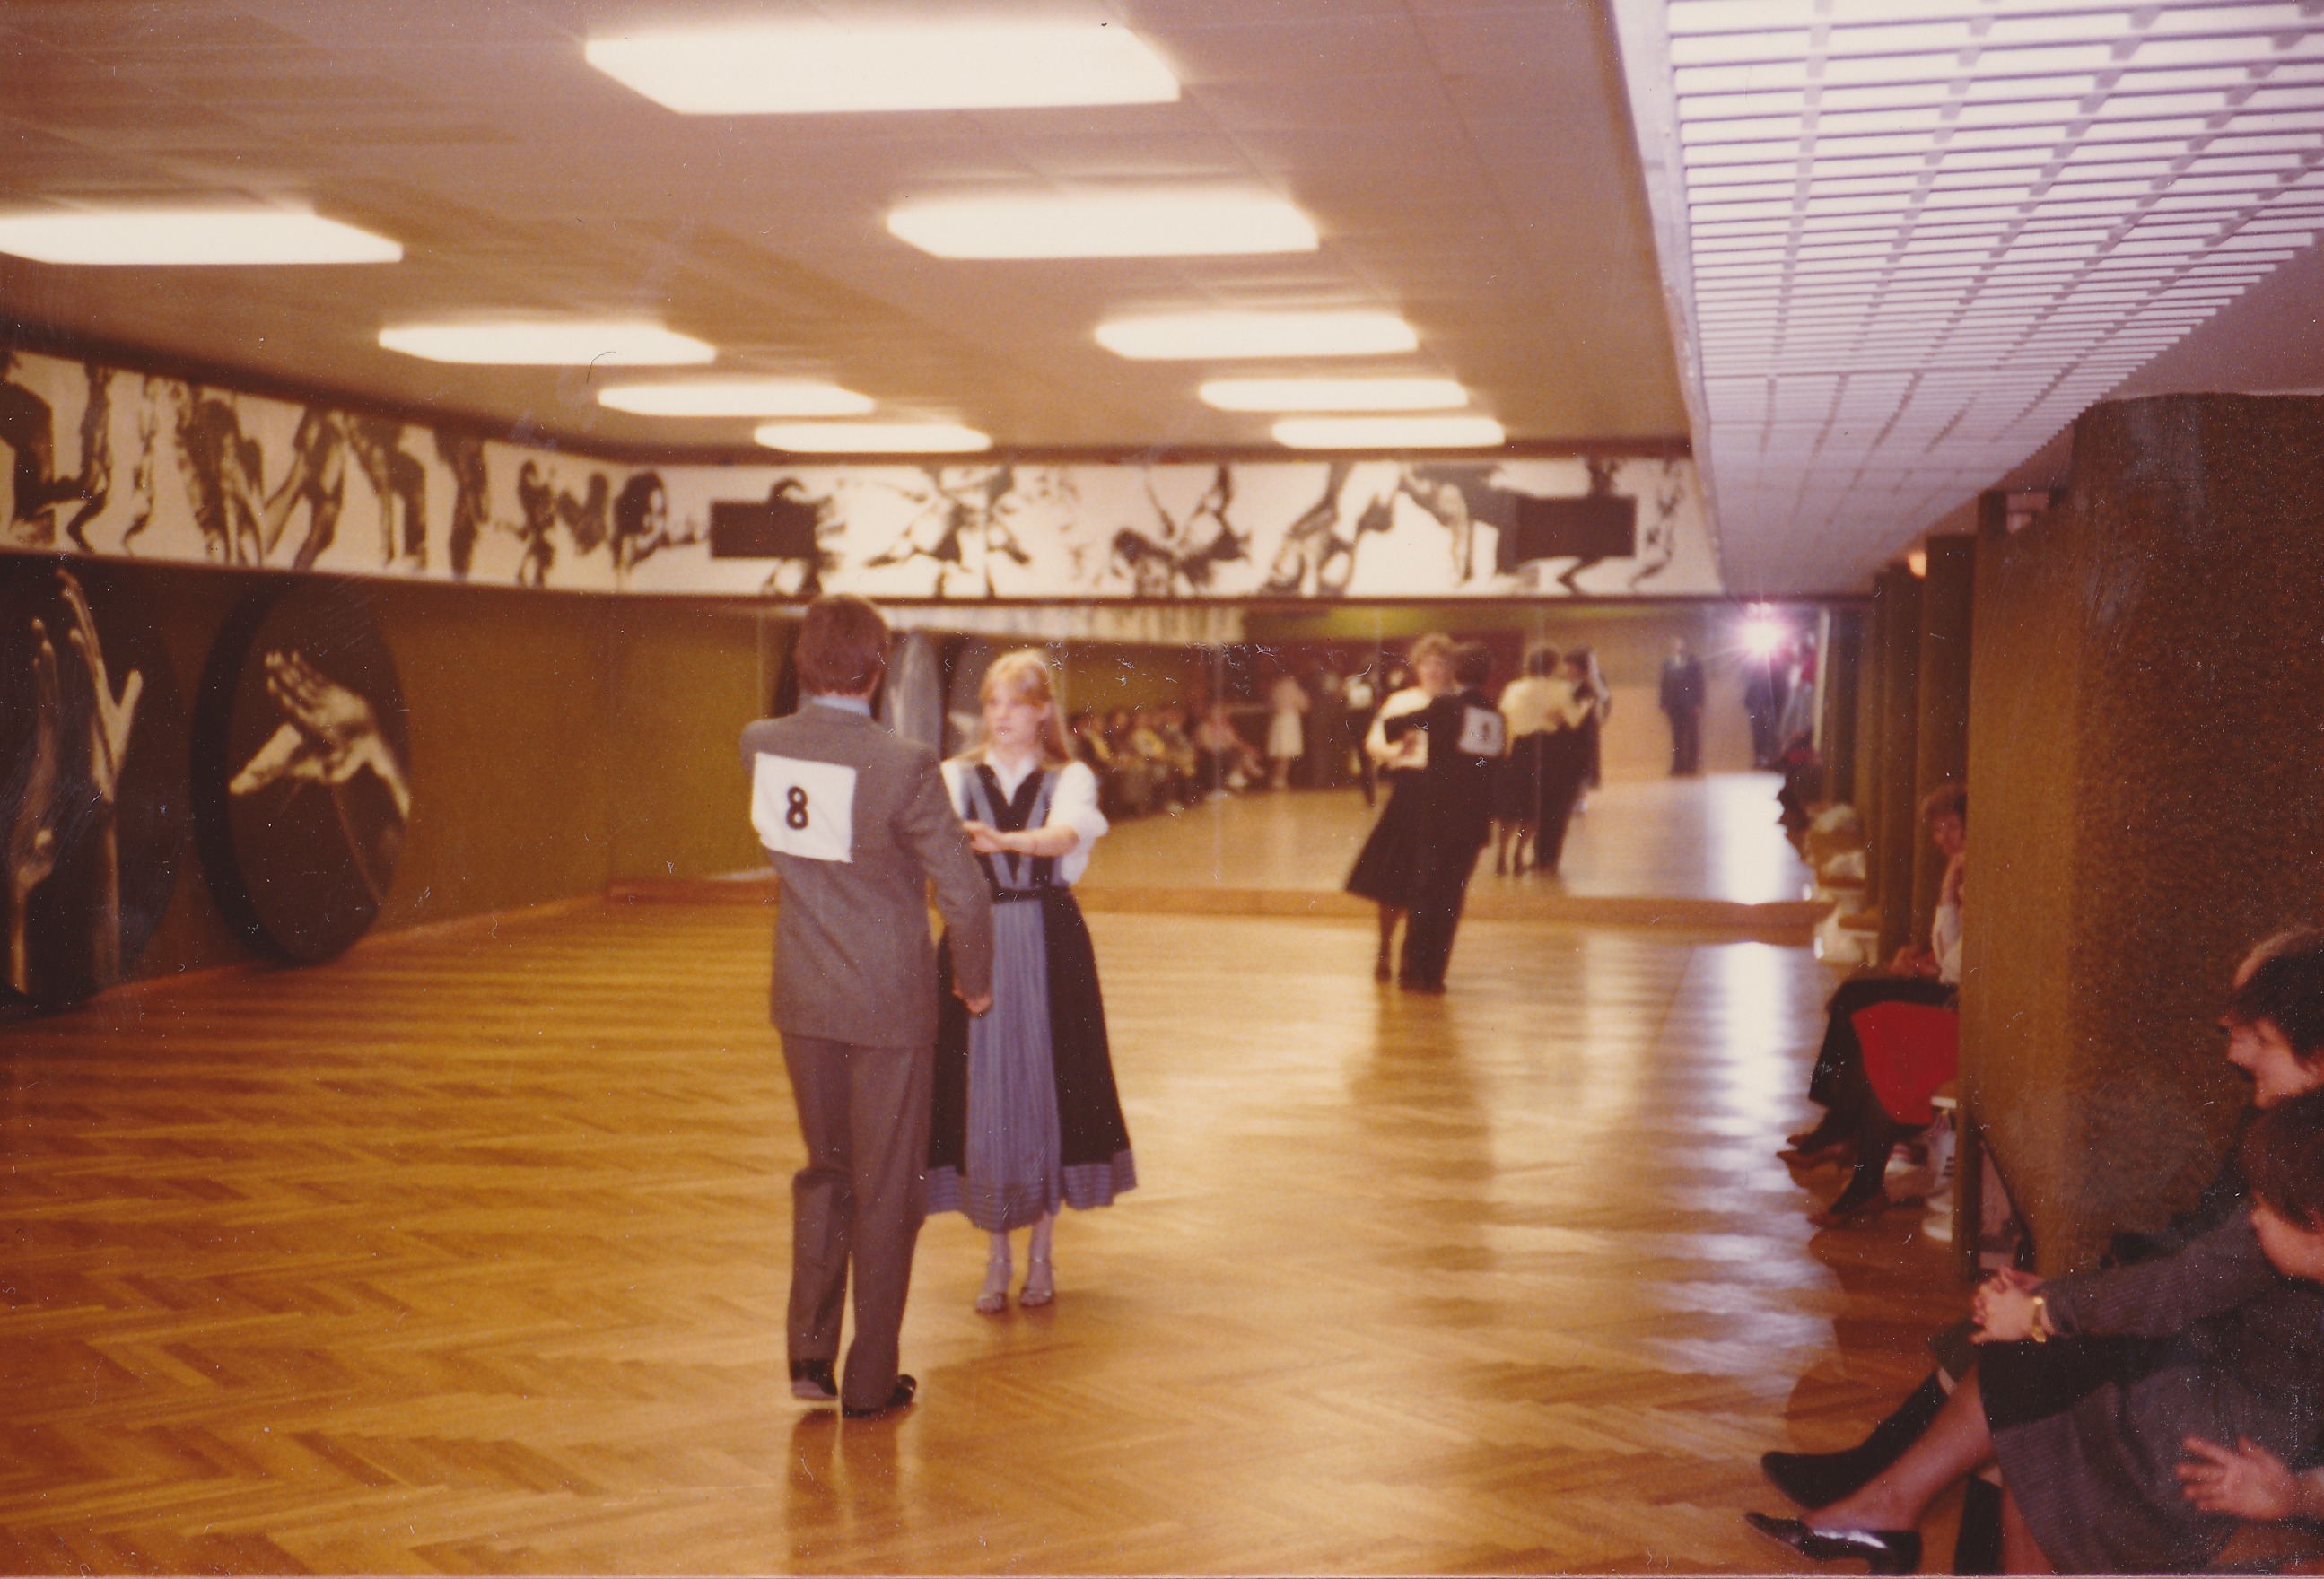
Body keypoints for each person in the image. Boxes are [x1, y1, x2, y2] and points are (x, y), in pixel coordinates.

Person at [1749, 937, 2324, 1575]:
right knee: (2030, 1362)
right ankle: (1892, 1506)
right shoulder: (2287, 1128)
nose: (2235, 1052)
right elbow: (2202, 1263)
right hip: (2225, 1366)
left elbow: (2197, 1279)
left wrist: (2046, 1309)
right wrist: (2053, 1302)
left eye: (2257, 1036)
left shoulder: (2303, 1157)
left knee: (2035, 1381)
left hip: (2254, 1420)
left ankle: (1890, 1505)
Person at [738, 594, 994, 1421]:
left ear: (801, 661)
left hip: (802, 996)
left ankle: (809, 1355)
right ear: (879, 668)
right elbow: (964, 894)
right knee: (889, 1190)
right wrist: (976, 981)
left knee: (827, 1170)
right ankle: (870, 1380)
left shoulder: (760, 743)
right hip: (887, 1005)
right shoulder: (905, 762)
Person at [927, 650, 1136, 1313]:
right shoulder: (955, 775)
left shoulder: (1069, 776)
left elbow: (1066, 835)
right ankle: (996, 1255)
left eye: (1017, 703)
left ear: (1043, 711)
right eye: (993, 703)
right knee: (983, 1091)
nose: (1003, 716)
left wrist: (1004, 842)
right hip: (978, 937)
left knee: (1048, 1087)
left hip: (1049, 940)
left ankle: (1042, 1252)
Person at [1782, 782, 1968, 1226]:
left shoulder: (1977, 873)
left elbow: (1960, 963)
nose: (1943, 837)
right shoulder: (1963, 868)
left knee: (1866, 1013)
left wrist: (1929, 959)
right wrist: (1924, 955)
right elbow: (1954, 953)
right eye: (1937, 829)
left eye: (1952, 826)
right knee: (1858, 1002)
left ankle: (1842, 1132)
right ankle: (1849, 1149)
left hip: (1962, 1007)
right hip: (1952, 990)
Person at [1382, 641, 1504, 993]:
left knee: (1425, 892)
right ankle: (1435, 975)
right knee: (1452, 896)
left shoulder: (1447, 705)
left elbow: (1394, 726)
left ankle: (1413, 970)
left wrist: (1405, 728)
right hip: (1473, 822)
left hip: (1437, 817)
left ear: (1455, 671)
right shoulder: (1495, 714)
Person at [1346, 634, 1457, 981]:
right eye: (1427, 663)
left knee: (1431, 883)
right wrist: (1396, 752)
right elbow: (1374, 742)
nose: (1433, 670)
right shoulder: (1402, 701)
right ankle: (1385, 948)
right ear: (1417, 667)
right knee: (1393, 879)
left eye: (1441, 663)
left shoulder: (1458, 701)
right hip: (1409, 792)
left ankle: (1414, 955)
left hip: (1446, 796)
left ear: (1451, 667)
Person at [1532, 652, 1600, 878]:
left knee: (1559, 812)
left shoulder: (1587, 692)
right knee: (1543, 809)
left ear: (1581, 669)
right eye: (1566, 665)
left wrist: (1564, 718)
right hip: (1550, 758)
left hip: (1572, 760)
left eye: (1572, 666)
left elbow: (1579, 724)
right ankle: (1539, 857)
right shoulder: (1557, 688)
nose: (1567, 670)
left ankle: (1551, 858)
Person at [1493, 649, 1560, 877]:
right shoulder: (1557, 689)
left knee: (1509, 811)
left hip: (1517, 750)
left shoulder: (1514, 688)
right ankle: (1519, 854)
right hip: (1544, 751)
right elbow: (1564, 719)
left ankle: (1501, 854)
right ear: (1552, 666)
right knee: (1531, 812)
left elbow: (1503, 718)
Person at [1660, 638, 1705, 775]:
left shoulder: (1693, 661)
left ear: (1685, 645)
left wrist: (1699, 703)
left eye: (1680, 643)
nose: (1678, 645)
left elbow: (1699, 683)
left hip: (1690, 704)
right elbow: (1664, 683)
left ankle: (1692, 766)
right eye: (1676, 643)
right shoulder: (1668, 662)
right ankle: (1678, 766)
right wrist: (1663, 702)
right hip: (1674, 705)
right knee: (1677, 737)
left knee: (1692, 735)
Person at [1266, 667, 1308, 790]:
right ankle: (1279, 779)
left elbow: (1270, 704)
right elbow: (1304, 705)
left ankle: (1277, 778)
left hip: (1277, 719)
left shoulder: (1275, 687)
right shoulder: (1293, 686)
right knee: (1286, 752)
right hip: (1290, 719)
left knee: (1280, 752)